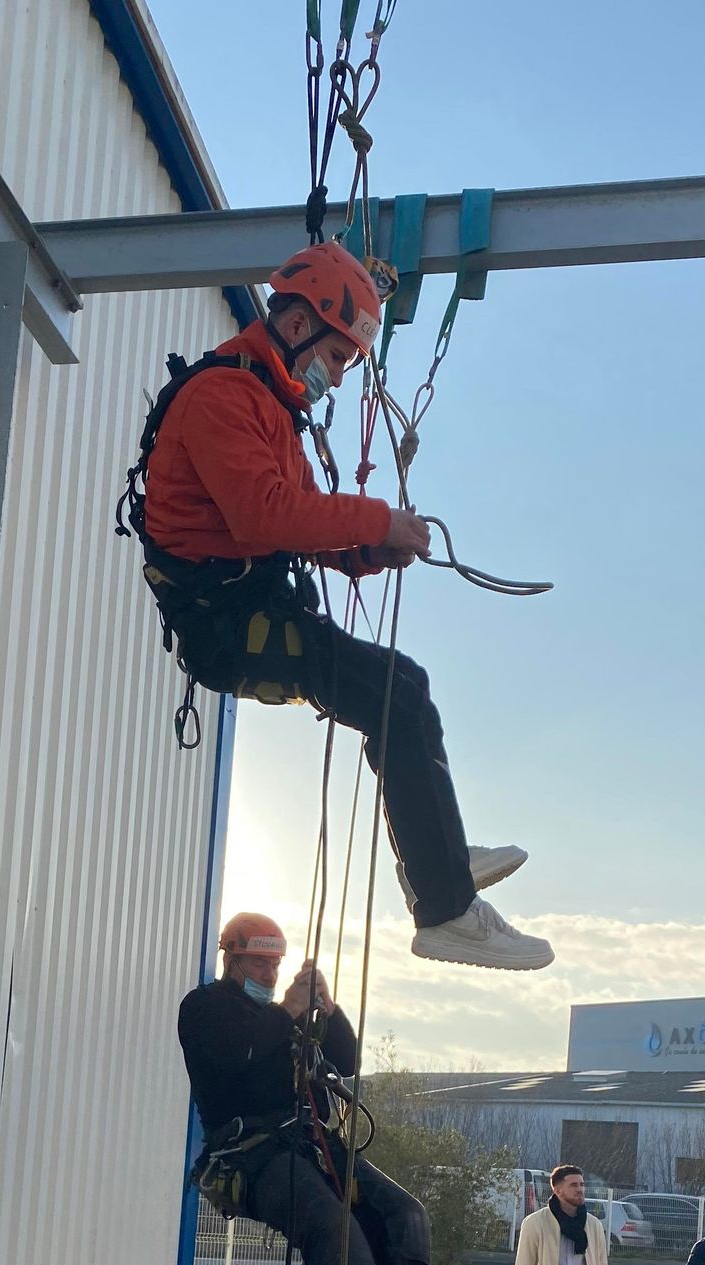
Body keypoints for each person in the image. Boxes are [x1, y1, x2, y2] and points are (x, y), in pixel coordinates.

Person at [126, 243, 553, 974]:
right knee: (393, 695)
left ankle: (439, 860)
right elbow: (266, 514)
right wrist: (375, 520)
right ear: (298, 326)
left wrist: (367, 550)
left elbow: (297, 517)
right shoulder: (223, 398)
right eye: (339, 355)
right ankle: (445, 907)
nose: (341, 374)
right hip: (226, 627)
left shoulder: (265, 404)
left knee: (405, 686)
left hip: (250, 609)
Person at [178, 911, 473, 1265]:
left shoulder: (285, 1018)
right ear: (231, 959)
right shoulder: (206, 1008)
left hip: (312, 1144)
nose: (270, 974)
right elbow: (237, 1053)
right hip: (251, 1156)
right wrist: (290, 1008)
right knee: (333, 1228)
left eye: (275, 965)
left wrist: (327, 1010)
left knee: (405, 1216)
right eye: (259, 964)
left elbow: (347, 1061)